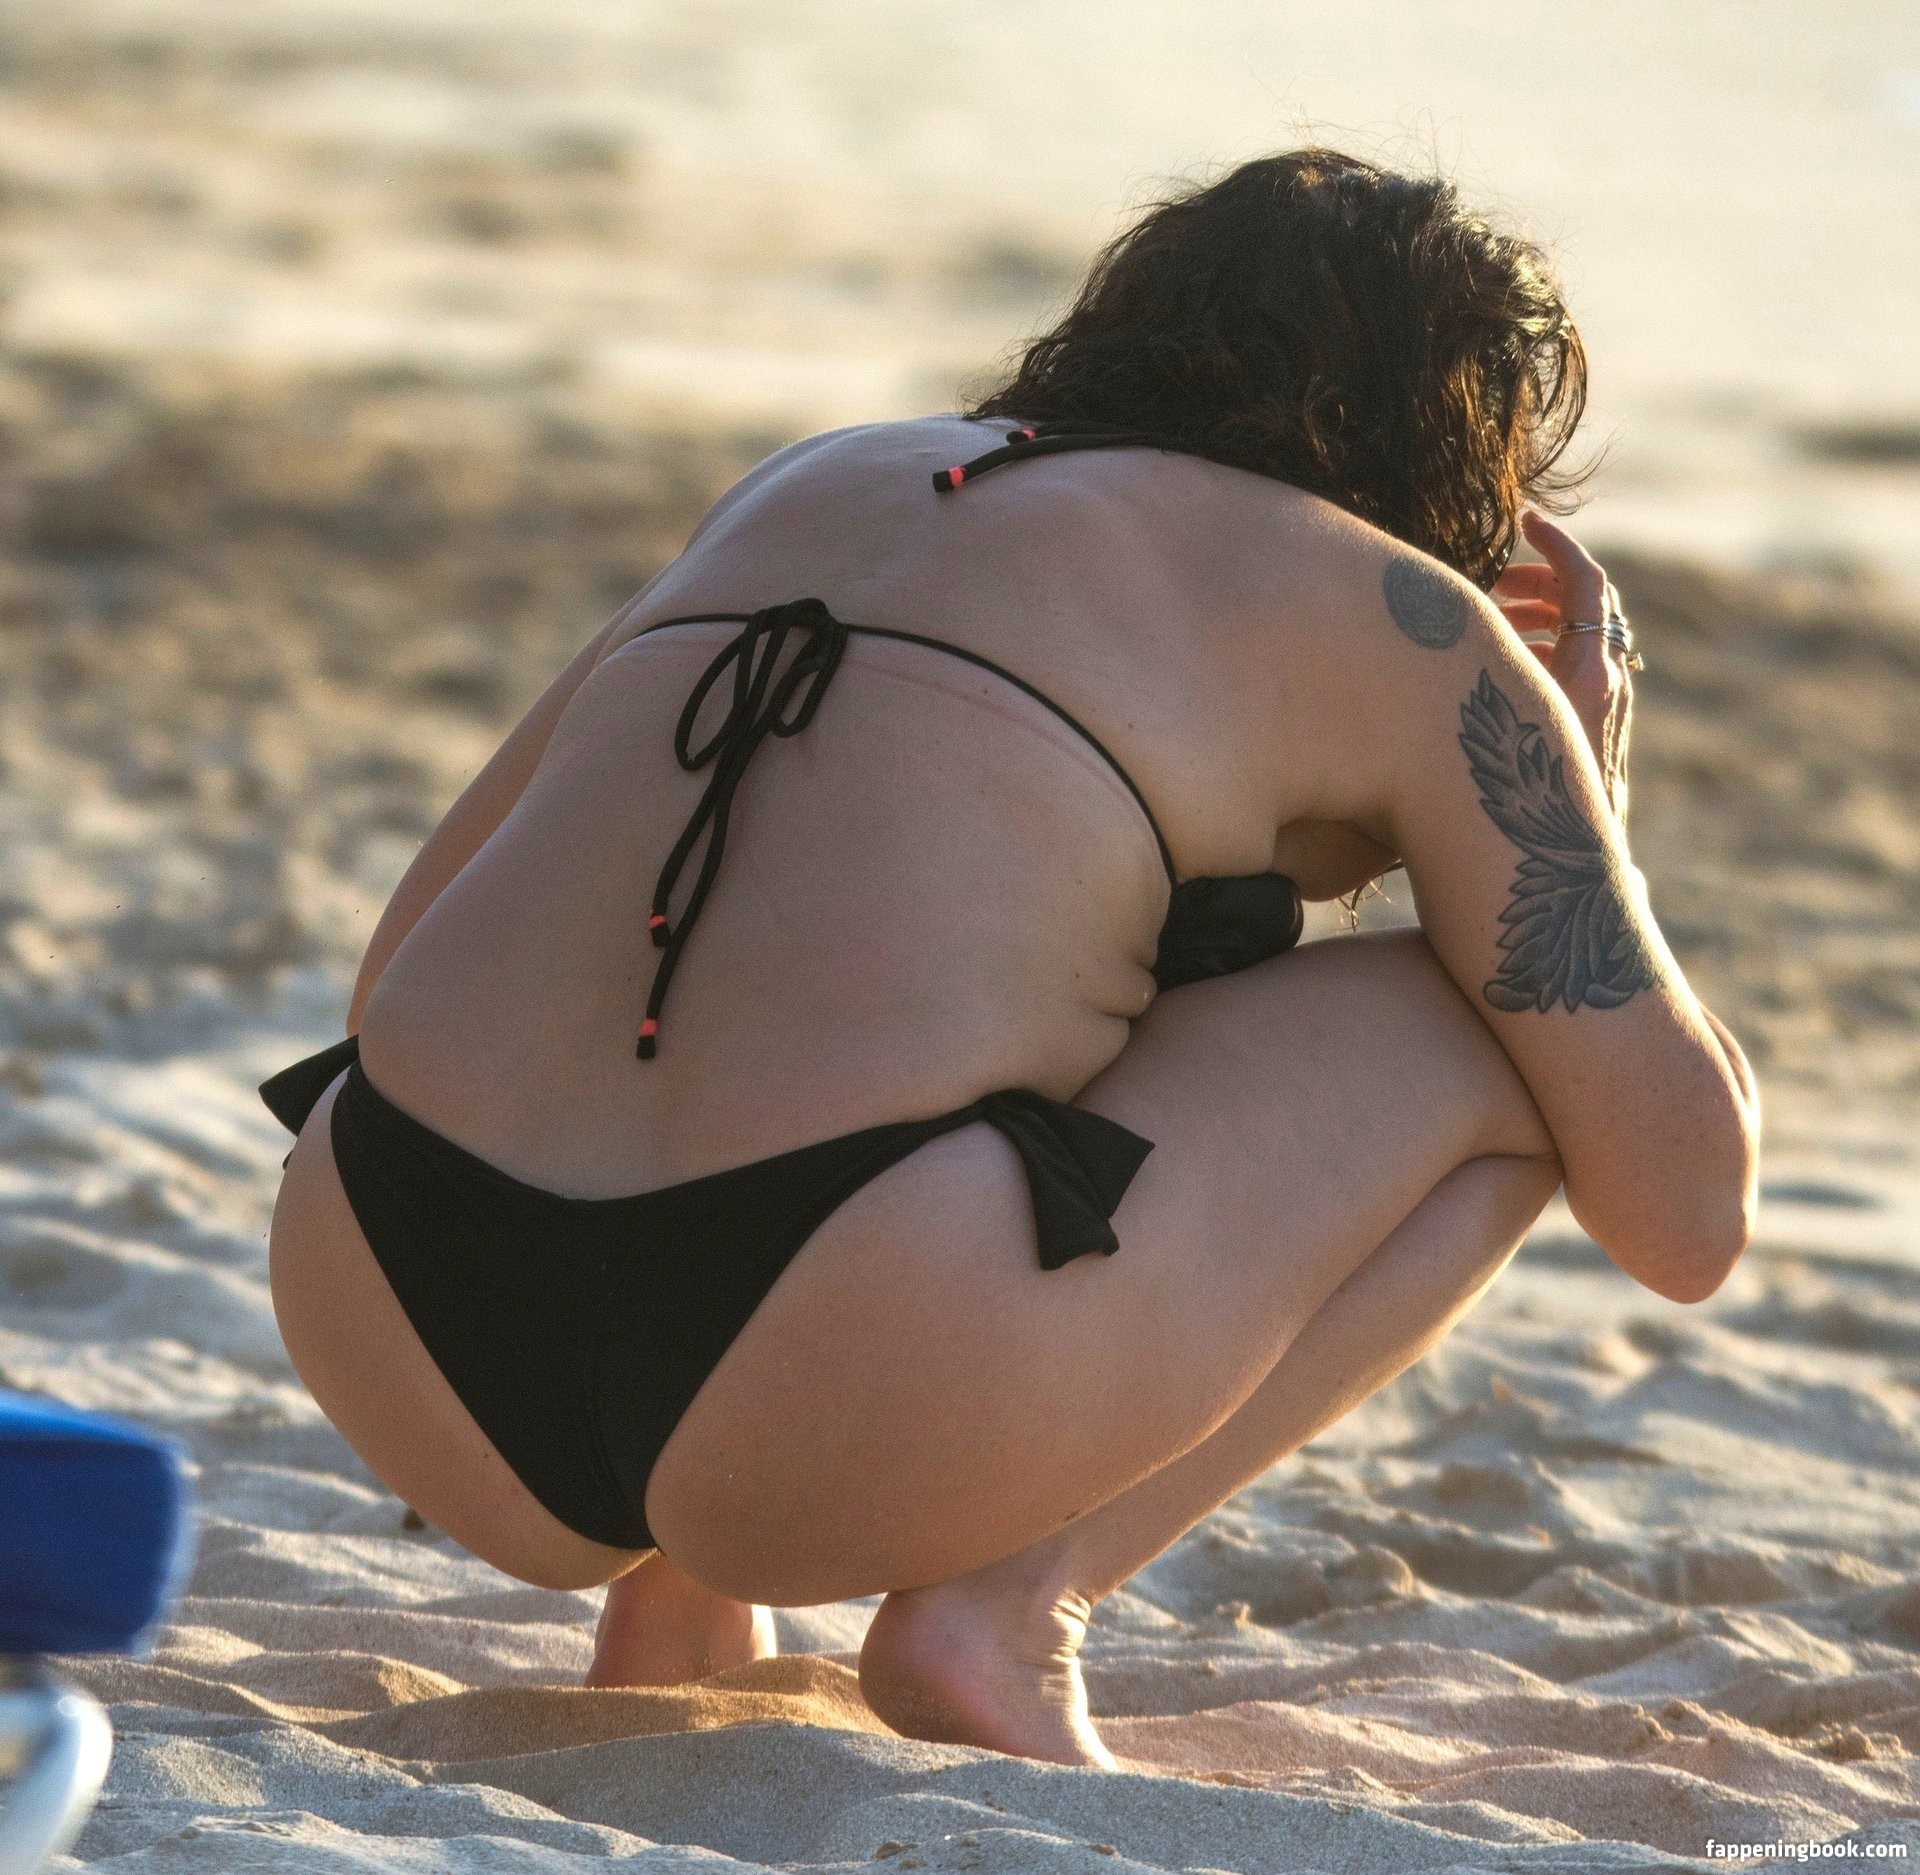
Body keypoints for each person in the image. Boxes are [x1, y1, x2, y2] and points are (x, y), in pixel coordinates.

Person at [263, 149, 1759, 1768]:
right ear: (1453, 451)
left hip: (391, 1306)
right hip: (819, 1387)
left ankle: (676, 1608)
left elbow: (396, 978)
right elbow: (1684, 1211)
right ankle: (1007, 1611)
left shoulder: (822, 479)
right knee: (1499, 1035)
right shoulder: (1402, 616)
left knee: (929, 939)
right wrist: (1584, 795)